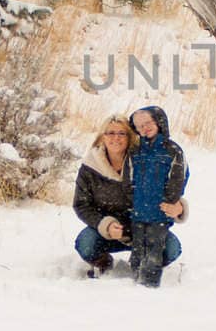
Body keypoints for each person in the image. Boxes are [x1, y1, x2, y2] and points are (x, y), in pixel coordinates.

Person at [71, 115, 185, 279]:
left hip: (144, 228)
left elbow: (167, 190)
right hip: (106, 231)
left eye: (121, 133)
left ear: (130, 137)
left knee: (172, 248)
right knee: (85, 244)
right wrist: (106, 225)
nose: (115, 138)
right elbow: (81, 205)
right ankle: (105, 264)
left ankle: (141, 263)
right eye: (110, 133)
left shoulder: (145, 160)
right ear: (103, 137)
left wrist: (178, 207)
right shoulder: (90, 166)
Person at [126, 105, 188, 288]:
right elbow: (127, 178)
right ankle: (134, 278)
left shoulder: (172, 150)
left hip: (160, 211)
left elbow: (179, 177)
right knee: (138, 246)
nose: (145, 128)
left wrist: (171, 200)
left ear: (159, 122)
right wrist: (132, 199)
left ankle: (150, 283)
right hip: (138, 210)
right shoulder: (135, 151)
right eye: (139, 126)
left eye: (148, 123)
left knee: (155, 247)